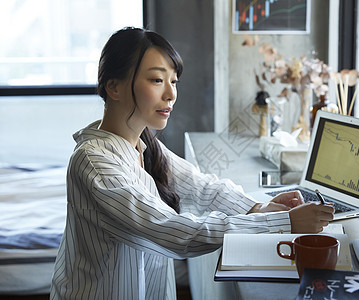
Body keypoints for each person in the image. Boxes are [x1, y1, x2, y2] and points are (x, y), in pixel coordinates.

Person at [50, 27, 334, 300]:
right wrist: (281, 222)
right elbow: (174, 231)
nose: (171, 94)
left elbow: (201, 187)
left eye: (174, 81)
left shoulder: (143, 143)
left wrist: (256, 207)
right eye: (157, 80)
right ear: (114, 86)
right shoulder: (95, 164)